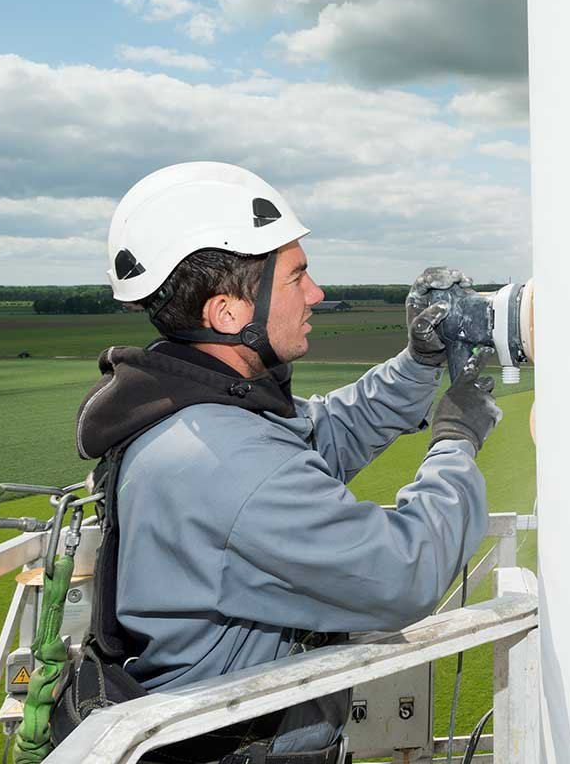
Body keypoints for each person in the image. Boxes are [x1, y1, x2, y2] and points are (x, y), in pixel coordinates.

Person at [58, 161, 501, 764]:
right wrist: (455, 440)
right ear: (228, 313)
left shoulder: (199, 412)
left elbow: (328, 432)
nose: (317, 294)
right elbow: (403, 570)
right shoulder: (225, 460)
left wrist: (419, 362)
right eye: (297, 278)